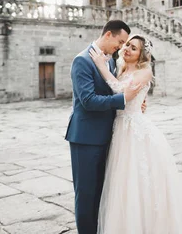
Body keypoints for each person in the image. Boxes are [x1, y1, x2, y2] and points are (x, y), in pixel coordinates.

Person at [90, 34, 182, 234]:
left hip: (135, 131)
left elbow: (121, 91)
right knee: (122, 182)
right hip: (120, 129)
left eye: (133, 48)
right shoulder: (120, 67)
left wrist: (101, 66)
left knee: (141, 179)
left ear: (141, 55)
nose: (127, 49)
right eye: (126, 45)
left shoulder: (145, 71)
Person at [65, 20, 143, 234]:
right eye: (120, 41)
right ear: (108, 34)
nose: (121, 47)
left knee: (102, 192)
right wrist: (123, 99)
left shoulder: (109, 61)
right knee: (86, 194)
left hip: (108, 136)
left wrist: (134, 102)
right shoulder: (82, 61)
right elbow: (88, 100)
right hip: (85, 138)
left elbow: (114, 88)